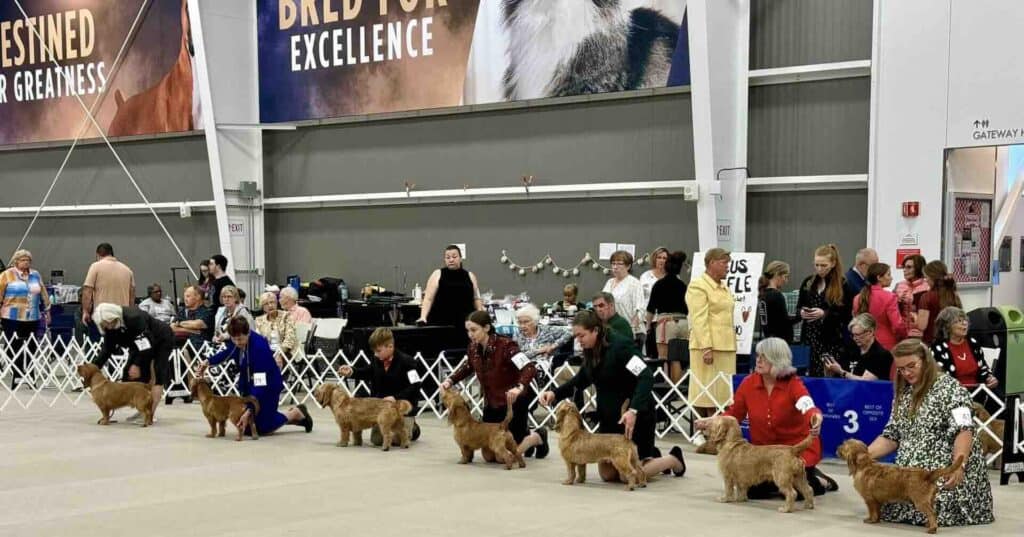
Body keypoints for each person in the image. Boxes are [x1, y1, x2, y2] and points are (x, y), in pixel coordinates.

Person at [539, 310, 686, 481]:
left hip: (635, 417)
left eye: (581, 336)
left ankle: (673, 459)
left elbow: (645, 376)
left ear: (595, 330)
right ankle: (648, 456)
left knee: (626, 476)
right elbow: (582, 379)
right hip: (610, 420)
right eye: (576, 337)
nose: (578, 341)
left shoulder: (621, 347)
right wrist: (554, 393)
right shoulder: (590, 350)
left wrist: (634, 410)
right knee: (608, 476)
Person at [866, 339, 994, 527]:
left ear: (926, 360)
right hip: (909, 477)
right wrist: (863, 456)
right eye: (901, 369)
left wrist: (959, 466)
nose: (906, 373)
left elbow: (964, 430)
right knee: (883, 497)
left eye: (911, 366)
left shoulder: (952, 388)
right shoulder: (902, 392)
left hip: (944, 468)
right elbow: (891, 435)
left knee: (934, 505)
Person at [701, 337, 836, 497]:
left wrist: (815, 416)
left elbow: (806, 405)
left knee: (797, 491)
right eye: (758, 356)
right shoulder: (748, 383)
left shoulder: (793, 384)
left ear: (778, 360)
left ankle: (821, 480)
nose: (758, 360)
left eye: (764, 357)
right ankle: (783, 479)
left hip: (794, 451)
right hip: (763, 455)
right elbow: (734, 414)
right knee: (754, 491)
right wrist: (712, 421)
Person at [440, 311, 549, 459]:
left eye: (474, 330)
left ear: (486, 327)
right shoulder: (473, 348)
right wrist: (449, 380)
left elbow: (529, 368)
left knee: (506, 454)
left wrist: (520, 387)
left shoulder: (506, 345)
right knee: (489, 457)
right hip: (492, 404)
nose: (470, 334)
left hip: (513, 402)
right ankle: (523, 439)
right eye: (468, 331)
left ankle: (537, 437)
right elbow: (468, 367)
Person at [198, 316, 313, 436]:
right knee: (247, 427)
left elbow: (260, 383)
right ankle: (274, 416)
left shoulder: (259, 348)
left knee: (263, 428)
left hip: (268, 386)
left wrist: (250, 408)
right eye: (234, 339)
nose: (237, 343)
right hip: (249, 384)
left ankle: (296, 413)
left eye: (240, 339)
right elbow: (228, 352)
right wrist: (208, 362)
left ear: (248, 333)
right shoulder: (237, 342)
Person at [337, 327, 422, 445]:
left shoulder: (408, 362)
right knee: (377, 440)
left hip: (401, 408)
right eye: (374, 351)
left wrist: (395, 397)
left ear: (390, 346)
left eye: (378, 350)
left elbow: (416, 386)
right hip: (382, 410)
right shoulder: (376, 360)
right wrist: (351, 371)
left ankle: (413, 428)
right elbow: (367, 372)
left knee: (397, 440)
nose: (375, 354)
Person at [91, 303, 174, 423]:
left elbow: (145, 344)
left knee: (157, 374)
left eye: (110, 323)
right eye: (105, 325)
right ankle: (142, 408)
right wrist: (93, 367)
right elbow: (107, 349)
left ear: (116, 317)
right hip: (138, 345)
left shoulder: (135, 318)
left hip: (160, 338)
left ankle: (150, 414)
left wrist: (137, 364)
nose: (108, 327)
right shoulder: (108, 327)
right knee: (129, 374)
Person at [685, 248, 737, 416]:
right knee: (707, 393)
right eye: (724, 263)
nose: (727, 267)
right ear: (712, 263)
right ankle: (705, 429)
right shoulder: (698, 286)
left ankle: (721, 429)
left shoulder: (724, 287)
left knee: (724, 394)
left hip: (726, 346)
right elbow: (699, 319)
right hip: (707, 347)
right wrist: (706, 347)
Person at [797, 244, 855, 377]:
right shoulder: (809, 282)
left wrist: (825, 313)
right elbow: (799, 306)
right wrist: (802, 312)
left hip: (832, 340)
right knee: (810, 375)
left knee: (829, 377)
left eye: (824, 265)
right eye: (816, 265)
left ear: (833, 263)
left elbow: (847, 314)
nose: (819, 269)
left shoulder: (843, 284)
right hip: (810, 338)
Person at [0, 249, 51, 388]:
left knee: (31, 346)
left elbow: (43, 293)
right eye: (23, 260)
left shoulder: (35, 275)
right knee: (13, 346)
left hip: (32, 316)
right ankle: (16, 373)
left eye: (28, 260)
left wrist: (47, 310)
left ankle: (29, 373)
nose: (26, 262)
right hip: (11, 317)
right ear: (16, 261)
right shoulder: (6, 275)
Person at [645, 251, 688, 382]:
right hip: (683, 323)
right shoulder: (683, 285)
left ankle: (666, 389)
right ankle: (678, 388)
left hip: (666, 324)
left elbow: (651, 308)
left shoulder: (659, 285)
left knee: (664, 358)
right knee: (678, 358)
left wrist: (648, 326)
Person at [931, 307, 999, 390]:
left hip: (977, 391)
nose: (964, 323)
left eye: (965, 320)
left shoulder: (972, 343)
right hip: (952, 393)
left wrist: (990, 378)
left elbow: (983, 368)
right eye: (959, 321)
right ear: (947, 326)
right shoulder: (938, 347)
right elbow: (939, 378)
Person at [417, 245, 483, 326]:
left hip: (465, 323)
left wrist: (480, 315)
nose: (451, 260)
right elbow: (428, 299)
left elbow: (476, 298)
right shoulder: (437, 274)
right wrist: (423, 317)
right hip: (441, 322)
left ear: (460, 259)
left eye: (454, 257)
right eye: (448, 257)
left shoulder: (470, 276)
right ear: (445, 260)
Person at [81, 243, 135, 332]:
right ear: (112, 253)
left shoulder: (95, 266)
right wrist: (130, 315)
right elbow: (132, 297)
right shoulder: (128, 270)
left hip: (103, 317)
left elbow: (87, 291)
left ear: (97, 254)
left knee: (103, 344)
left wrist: (85, 312)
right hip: (121, 317)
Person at [852, 263, 907, 350]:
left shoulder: (858, 298)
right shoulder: (889, 296)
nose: (891, 278)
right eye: (888, 274)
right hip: (886, 343)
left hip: (864, 343)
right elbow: (897, 325)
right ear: (879, 277)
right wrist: (905, 336)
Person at [825, 314, 894, 381]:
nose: (855, 338)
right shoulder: (850, 350)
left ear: (870, 332)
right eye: (853, 335)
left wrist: (841, 372)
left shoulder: (882, 355)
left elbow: (865, 382)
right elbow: (834, 377)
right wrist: (830, 368)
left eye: (858, 335)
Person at [602, 250, 646, 350]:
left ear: (628, 266)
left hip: (631, 332)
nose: (615, 266)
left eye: (619, 264)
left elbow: (640, 309)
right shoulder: (609, 282)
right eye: (613, 263)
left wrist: (631, 330)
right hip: (612, 330)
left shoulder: (634, 283)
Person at [913, 261, 962, 345]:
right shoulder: (953, 294)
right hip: (952, 341)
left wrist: (914, 317)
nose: (926, 280)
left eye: (926, 277)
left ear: (932, 277)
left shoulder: (926, 297)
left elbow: (922, 326)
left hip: (932, 342)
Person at [253, 291, 298, 369]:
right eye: (266, 304)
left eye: (272, 302)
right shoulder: (259, 320)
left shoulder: (286, 316)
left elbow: (289, 338)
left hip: (286, 351)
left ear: (277, 303)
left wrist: (279, 353)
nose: (270, 305)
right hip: (267, 351)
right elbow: (258, 340)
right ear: (263, 307)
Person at [757, 260, 795, 343]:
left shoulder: (763, 294)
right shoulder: (776, 295)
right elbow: (784, 322)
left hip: (769, 340)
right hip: (780, 343)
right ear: (777, 275)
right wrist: (801, 315)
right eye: (785, 276)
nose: (786, 281)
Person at [894, 254, 929, 338]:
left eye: (909, 267)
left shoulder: (928, 286)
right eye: (904, 267)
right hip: (902, 333)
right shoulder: (899, 285)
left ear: (918, 268)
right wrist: (897, 301)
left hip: (921, 333)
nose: (905, 270)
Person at [171, 285, 212, 350]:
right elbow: (172, 326)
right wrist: (191, 330)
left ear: (198, 297)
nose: (185, 299)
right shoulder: (183, 311)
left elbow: (197, 324)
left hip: (201, 347)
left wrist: (179, 324)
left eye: (188, 296)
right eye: (184, 297)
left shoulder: (207, 311)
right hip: (181, 346)